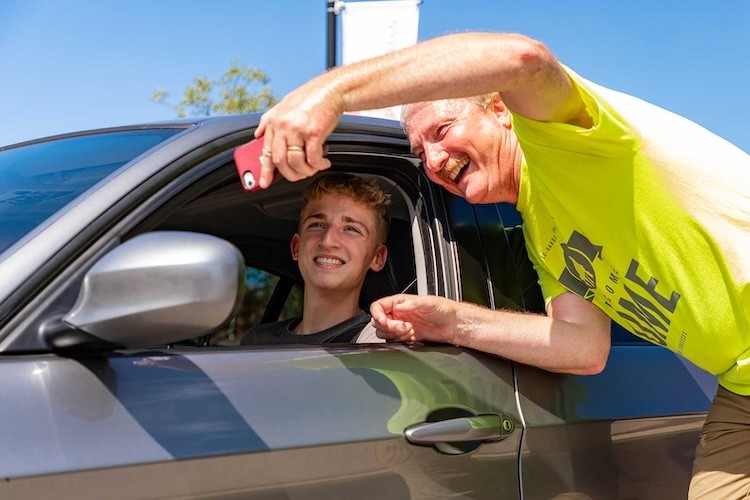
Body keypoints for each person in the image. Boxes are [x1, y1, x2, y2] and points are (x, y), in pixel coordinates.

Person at [252, 32, 750, 497]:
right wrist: (453, 321)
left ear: (500, 109)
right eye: (420, 150)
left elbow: (523, 59)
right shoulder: (545, 235)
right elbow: (584, 347)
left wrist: (332, 93)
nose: (433, 159)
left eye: (441, 131)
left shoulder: (566, 142)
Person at [242, 172, 390, 345]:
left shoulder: (377, 343)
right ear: (297, 247)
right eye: (317, 225)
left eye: (351, 229)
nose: (328, 241)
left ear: (377, 257)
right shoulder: (256, 342)